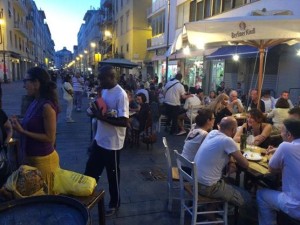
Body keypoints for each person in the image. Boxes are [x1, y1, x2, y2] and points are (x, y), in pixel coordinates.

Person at [84, 65, 129, 216]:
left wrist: (100, 117)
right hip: (99, 139)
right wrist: (93, 111)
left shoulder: (121, 95)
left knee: (113, 175)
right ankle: (86, 197)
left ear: (111, 77)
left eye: (102, 78)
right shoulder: (104, 90)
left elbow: (124, 122)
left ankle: (115, 203)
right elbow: (102, 109)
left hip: (113, 144)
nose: (99, 81)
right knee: (90, 170)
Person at [10, 67, 60, 194]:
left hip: (43, 162)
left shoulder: (47, 106)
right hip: (32, 158)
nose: (23, 86)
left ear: (36, 83)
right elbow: (33, 122)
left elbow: (50, 138)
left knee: (45, 198)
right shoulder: (35, 101)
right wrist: (19, 121)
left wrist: (23, 131)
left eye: (25, 81)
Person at [194, 116, 251, 207]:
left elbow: (221, 151)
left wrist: (231, 161)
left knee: (229, 181)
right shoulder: (227, 140)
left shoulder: (213, 132)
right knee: (247, 198)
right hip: (208, 187)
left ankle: (212, 209)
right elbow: (245, 164)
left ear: (220, 126)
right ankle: (214, 210)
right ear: (233, 130)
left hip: (195, 180)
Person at [257, 118, 300, 225]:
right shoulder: (288, 147)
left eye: (282, 131)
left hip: (295, 206)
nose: (280, 134)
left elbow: (271, 169)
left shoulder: (285, 146)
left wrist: (272, 155)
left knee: (261, 194)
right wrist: (277, 150)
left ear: (289, 134)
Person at [181, 108, 214, 173]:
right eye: (213, 118)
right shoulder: (204, 134)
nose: (214, 120)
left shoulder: (194, 127)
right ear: (208, 120)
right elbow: (210, 152)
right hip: (191, 169)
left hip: (183, 164)